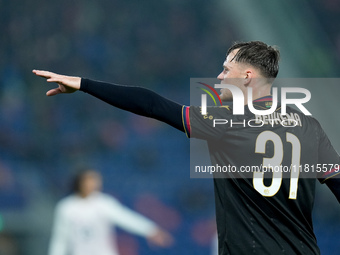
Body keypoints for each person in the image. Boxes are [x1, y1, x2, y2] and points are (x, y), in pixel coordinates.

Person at [34, 41, 340, 255]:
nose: (219, 77)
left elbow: (152, 104)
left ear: (248, 76)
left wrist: (84, 83)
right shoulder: (308, 124)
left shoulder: (225, 121)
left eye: (225, 70)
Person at [48, 169, 173, 255]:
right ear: (80, 182)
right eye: (90, 180)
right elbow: (60, 237)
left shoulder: (103, 203)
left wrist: (150, 229)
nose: (95, 183)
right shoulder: (66, 207)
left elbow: (126, 218)